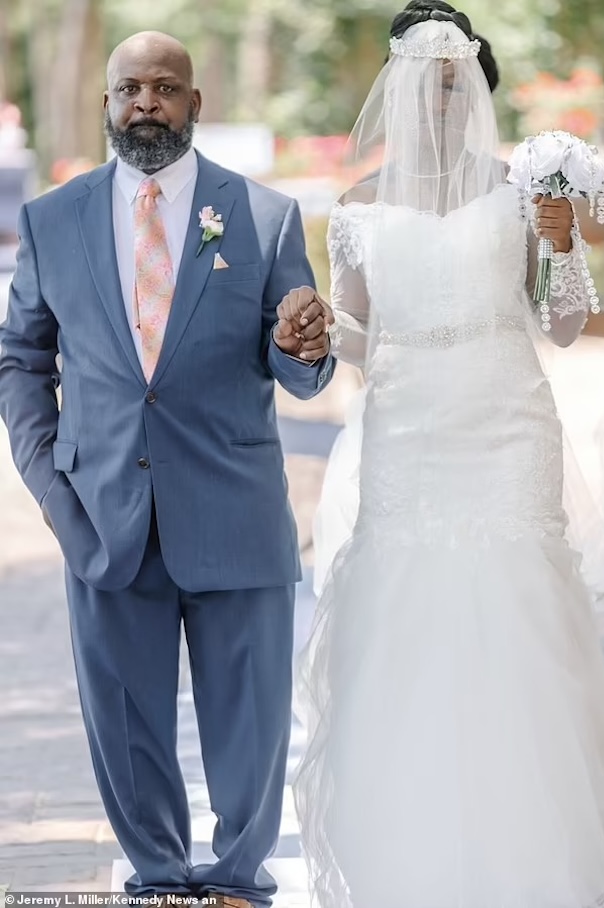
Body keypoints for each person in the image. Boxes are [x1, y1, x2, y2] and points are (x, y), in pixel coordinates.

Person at [293, 4, 604, 908]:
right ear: (397, 89)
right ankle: (418, 852)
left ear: (476, 85)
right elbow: (361, 335)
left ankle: (531, 856)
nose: (441, 99)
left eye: (457, 82)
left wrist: (563, 245)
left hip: (507, 421)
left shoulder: (523, 189)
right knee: (411, 618)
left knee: (521, 611)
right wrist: (324, 332)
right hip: (409, 430)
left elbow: (562, 325)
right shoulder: (358, 207)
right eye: (425, 82)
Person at [0, 31, 335, 908]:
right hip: (102, 518)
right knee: (126, 725)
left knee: (250, 726)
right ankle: (154, 881)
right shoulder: (52, 219)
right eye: (128, 88)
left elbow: (299, 365)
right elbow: (21, 362)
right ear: (107, 104)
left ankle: (234, 885)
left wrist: (303, 340)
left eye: (165, 87)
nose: (146, 102)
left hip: (235, 514)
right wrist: (50, 486)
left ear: (195, 104)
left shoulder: (263, 217)